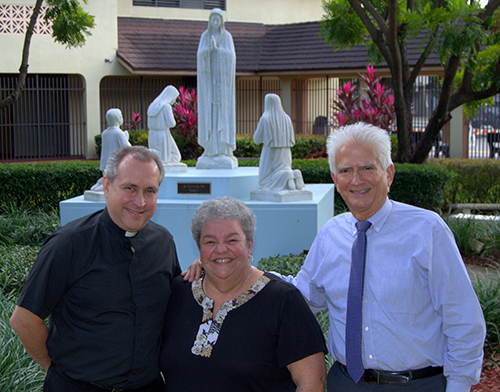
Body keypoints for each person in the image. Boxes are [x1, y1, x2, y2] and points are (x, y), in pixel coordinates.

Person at [184, 123, 486, 392]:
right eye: (345, 170)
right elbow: (303, 294)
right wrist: (229, 265)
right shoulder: (331, 234)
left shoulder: (427, 231)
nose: (356, 180)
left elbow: (464, 320)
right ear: (334, 177)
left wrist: (458, 385)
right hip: (345, 383)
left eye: (367, 168)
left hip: (418, 384)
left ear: (388, 172)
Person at [10, 146, 181, 392]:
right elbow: (24, 319)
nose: (140, 201)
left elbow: (175, 305)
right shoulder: (69, 244)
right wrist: (55, 371)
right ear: (107, 186)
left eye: (150, 191)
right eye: (130, 188)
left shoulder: (163, 243)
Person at [161, 196, 327, 391]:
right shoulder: (179, 292)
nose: (221, 249)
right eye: (210, 241)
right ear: (199, 247)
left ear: (249, 245)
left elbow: (312, 381)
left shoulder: (283, 301)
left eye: (232, 240)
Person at [196, 8, 238, 169]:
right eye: (212, 19)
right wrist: (208, 51)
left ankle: (223, 150)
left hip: (222, 87)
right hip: (209, 85)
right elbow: (200, 56)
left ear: (221, 21)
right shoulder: (204, 37)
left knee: (222, 116)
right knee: (210, 117)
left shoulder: (226, 36)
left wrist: (218, 51)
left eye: (217, 19)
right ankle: (210, 151)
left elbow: (231, 57)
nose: (215, 22)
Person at [253, 93, 305, 192]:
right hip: (286, 153)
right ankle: (294, 174)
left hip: (270, 154)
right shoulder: (287, 118)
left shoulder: (265, 118)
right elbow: (292, 139)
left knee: (266, 181)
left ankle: (287, 176)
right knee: (285, 169)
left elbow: (256, 139)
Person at [91, 108, 131, 191]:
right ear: (119, 119)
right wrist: (126, 137)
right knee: (113, 178)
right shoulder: (118, 133)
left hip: (105, 163)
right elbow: (127, 147)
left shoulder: (105, 132)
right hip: (114, 163)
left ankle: (100, 184)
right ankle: (105, 185)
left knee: (106, 176)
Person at [148, 85, 186, 169]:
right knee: (163, 160)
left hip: (152, 134)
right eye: (174, 98)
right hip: (163, 134)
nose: (174, 100)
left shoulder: (152, 105)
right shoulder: (166, 107)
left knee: (169, 156)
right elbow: (172, 123)